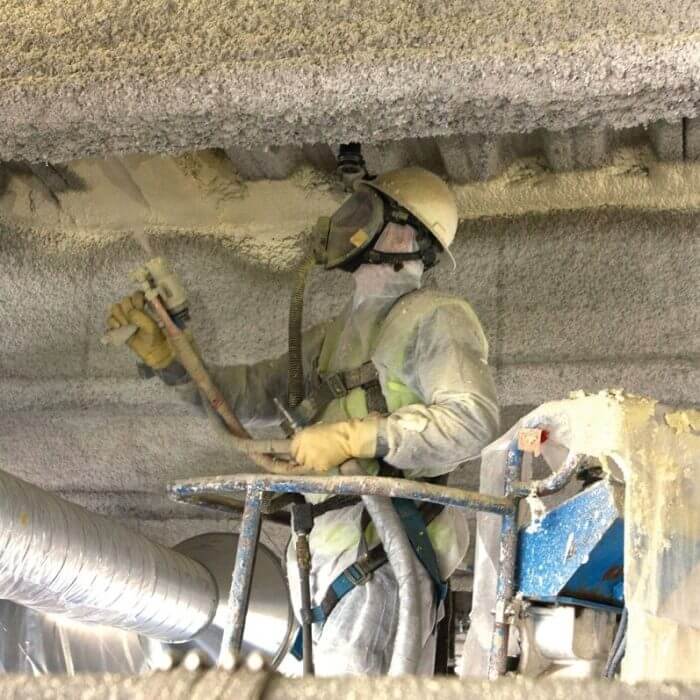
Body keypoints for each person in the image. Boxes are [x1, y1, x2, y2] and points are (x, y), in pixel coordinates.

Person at [107, 167, 499, 676]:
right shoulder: (330, 338)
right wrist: (173, 361)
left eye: (366, 213)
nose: (346, 224)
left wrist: (352, 437)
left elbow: (472, 419)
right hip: (324, 552)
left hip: (385, 550)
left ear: (404, 234)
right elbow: (246, 396)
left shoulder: (436, 315)